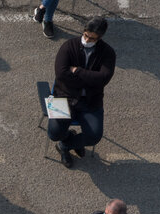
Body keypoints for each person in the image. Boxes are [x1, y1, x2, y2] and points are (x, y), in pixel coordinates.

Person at [48, 17, 115, 168]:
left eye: (92, 38)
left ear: (100, 37)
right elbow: (61, 74)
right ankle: (68, 139)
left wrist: (77, 71)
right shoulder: (68, 46)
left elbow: (104, 78)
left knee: (94, 137)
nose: (87, 39)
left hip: (91, 100)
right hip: (63, 96)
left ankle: (65, 146)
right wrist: (90, 79)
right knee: (53, 133)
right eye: (85, 35)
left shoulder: (108, 53)